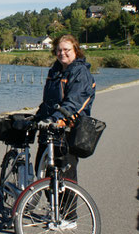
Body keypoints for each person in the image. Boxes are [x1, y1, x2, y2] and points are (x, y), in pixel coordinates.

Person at [34, 34, 96, 185]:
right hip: (49, 131)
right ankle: (52, 207)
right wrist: (37, 118)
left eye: (66, 49)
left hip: (68, 132)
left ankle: (66, 210)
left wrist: (54, 119)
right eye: (58, 50)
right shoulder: (54, 72)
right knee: (42, 174)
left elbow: (74, 102)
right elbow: (48, 102)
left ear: (76, 50)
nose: (62, 53)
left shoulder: (81, 72)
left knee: (66, 179)